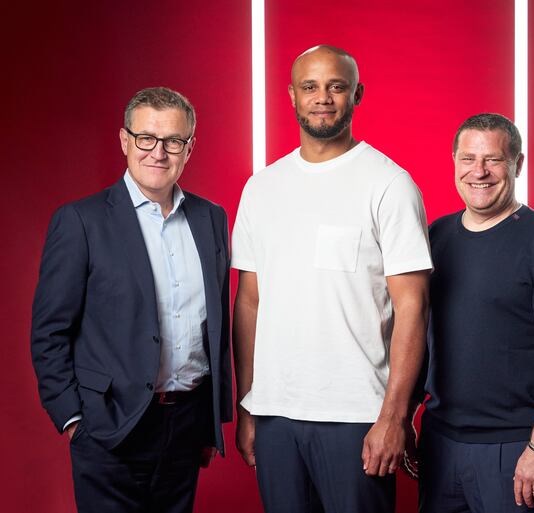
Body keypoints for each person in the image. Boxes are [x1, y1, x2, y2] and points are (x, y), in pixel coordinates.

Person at [230, 45, 432, 513]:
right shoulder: (261, 188)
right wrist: (247, 405)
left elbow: (412, 307)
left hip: (357, 418)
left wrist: (395, 417)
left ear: (356, 94)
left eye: (336, 86)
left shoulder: (389, 184)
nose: (323, 97)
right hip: (276, 414)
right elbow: (249, 303)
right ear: (292, 97)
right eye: (311, 87)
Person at [30, 87, 232, 513]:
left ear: (189, 148)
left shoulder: (211, 218)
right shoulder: (81, 221)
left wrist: (210, 423)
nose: (158, 152)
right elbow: (50, 332)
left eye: (173, 141)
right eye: (146, 138)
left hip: (186, 427)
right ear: (125, 141)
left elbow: (217, 327)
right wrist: (73, 419)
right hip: (109, 426)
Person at [416, 113, 534, 512]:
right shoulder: (435, 237)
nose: (479, 171)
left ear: (518, 164)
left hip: (515, 448)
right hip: (441, 442)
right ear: (454, 161)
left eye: (493, 159)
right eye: (468, 159)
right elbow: (417, 337)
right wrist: (401, 419)